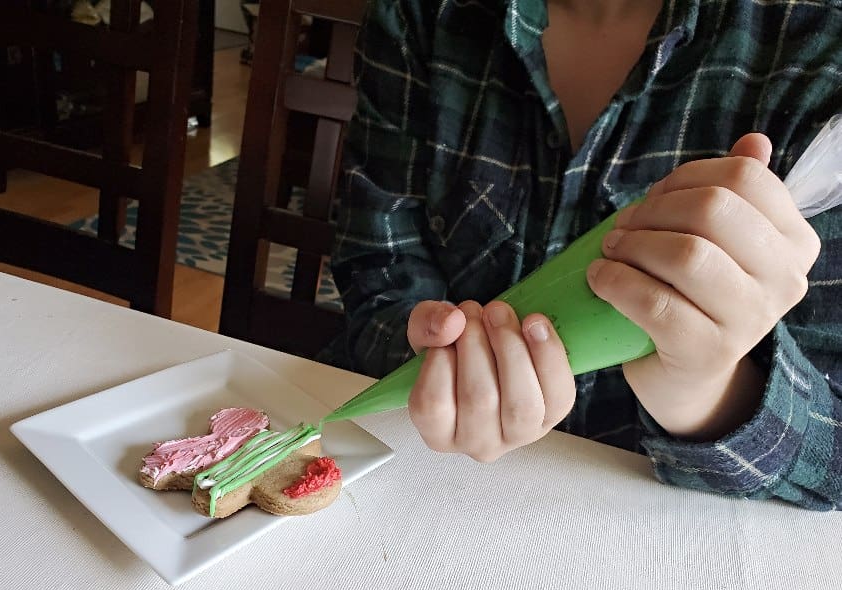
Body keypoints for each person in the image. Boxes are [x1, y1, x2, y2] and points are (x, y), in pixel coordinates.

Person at [330, 0, 842, 509]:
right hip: (406, 480)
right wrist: (441, 369)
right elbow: (377, 269)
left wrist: (706, 392)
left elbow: (832, 457)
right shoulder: (420, 16)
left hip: (656, 528)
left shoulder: (819, 52)